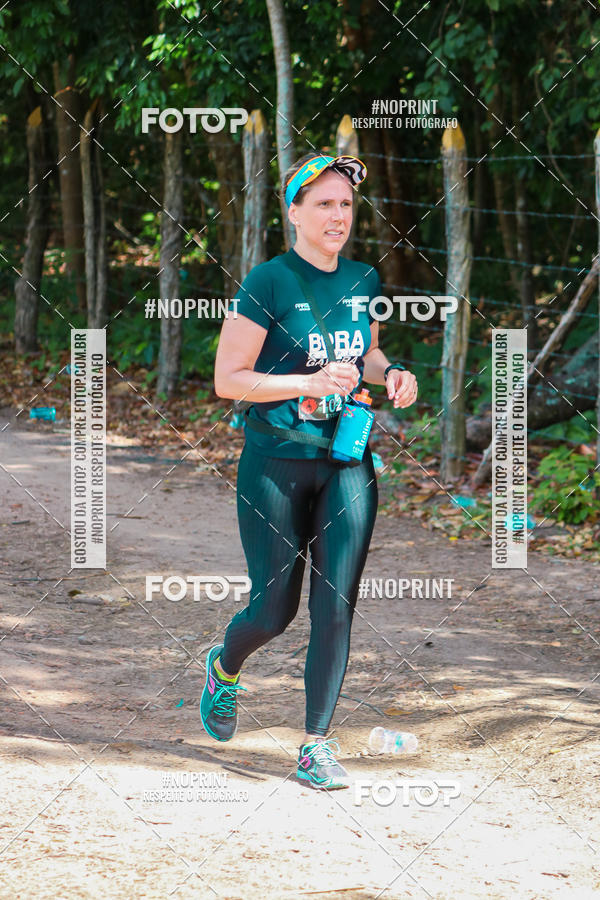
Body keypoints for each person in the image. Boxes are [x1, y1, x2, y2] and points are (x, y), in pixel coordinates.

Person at [201, 151, 418, 790]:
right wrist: (306, 381)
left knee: (336, 604)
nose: (337, 215)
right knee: (274, 611)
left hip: (347, 459)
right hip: (275, 461)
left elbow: (367, 351)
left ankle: (314, 745)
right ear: (294, 212)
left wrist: (392, 372)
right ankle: (224, 665)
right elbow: (228, 379)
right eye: (323, 203)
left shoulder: (363, 278)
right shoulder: (267, 281)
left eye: (345, 204)